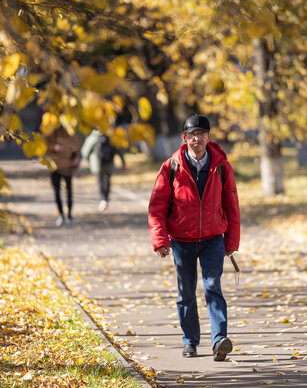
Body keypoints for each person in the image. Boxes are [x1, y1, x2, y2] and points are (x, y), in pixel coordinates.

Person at [148, 114, 240, 361]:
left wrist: (231, 242)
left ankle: (219, 340)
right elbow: (157, 207)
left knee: (213, 287)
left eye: (201, 134)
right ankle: (190, 341)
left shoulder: (221, 167)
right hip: (182, 241)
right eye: (192, 134)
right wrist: (160, 240)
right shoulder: (171, 167)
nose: (197, 138)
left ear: (209, 137)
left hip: (213, 239)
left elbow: (232, 205)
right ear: (184, 137)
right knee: (186, 293)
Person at [44, 125, 81, 226]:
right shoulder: (49, 128)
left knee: (69, 190)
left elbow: (76, 143)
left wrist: (77, 157)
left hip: (67, 165)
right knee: (57, 191)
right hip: (54, 165)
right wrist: (54, 147)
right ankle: (61, 214)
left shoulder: (69, 127)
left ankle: (69, 215)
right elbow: (44, 145)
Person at [81, 129, 126, 211]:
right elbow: (118, 150)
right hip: (109, 162)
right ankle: (106, 198)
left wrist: (87, 160)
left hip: (96, 163)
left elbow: (85, 151)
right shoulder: (112, 136)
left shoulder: (93, 137)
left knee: (100, 181)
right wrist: (123, 162)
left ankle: (103, 199)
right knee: (107, 180)